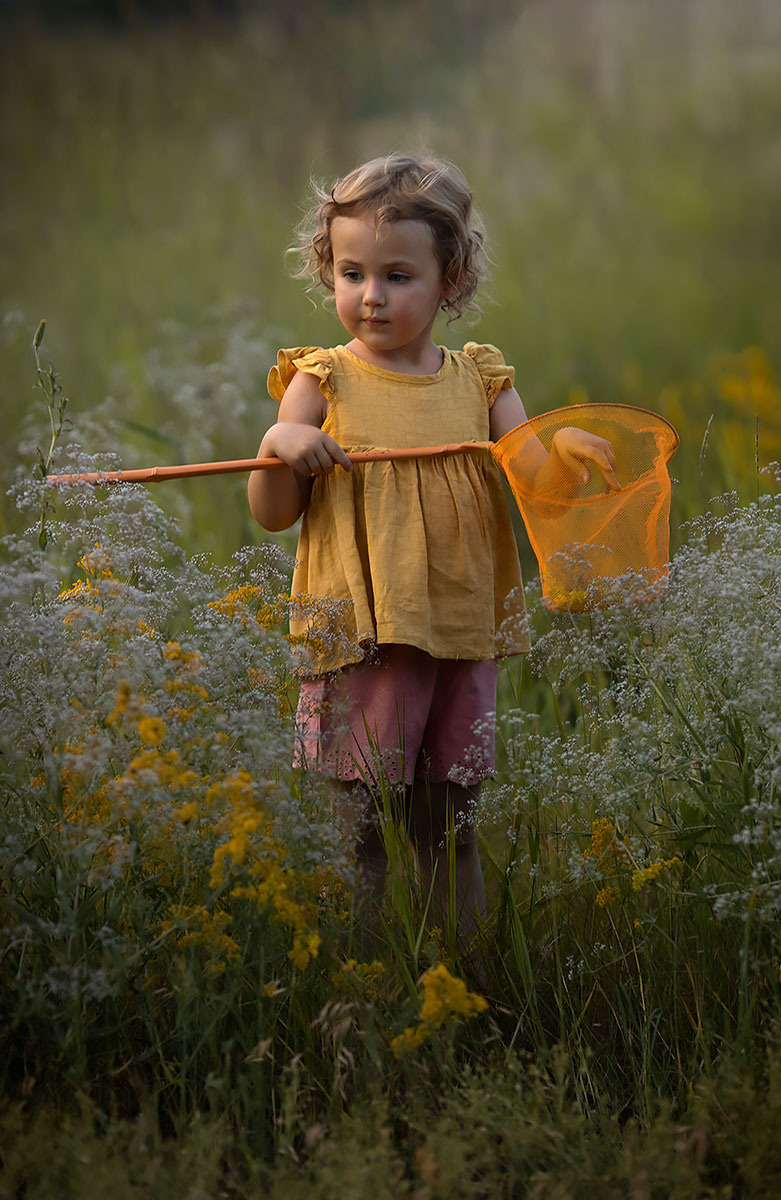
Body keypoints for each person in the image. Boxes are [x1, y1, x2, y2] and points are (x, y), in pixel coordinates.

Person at [248, 154, 618, 933]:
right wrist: (281, 442)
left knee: (448, 824)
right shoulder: (321, 382)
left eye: (397, 276)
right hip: (362, 629)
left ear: (449, 279)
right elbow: (273, 513)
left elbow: (534, 487)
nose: (370, 296)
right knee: (356, 829)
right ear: (329, 271)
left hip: (454, 629)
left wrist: (567, 452)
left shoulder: (481, 383)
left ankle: (465, 969)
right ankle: (360, 969)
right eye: (351, 272)